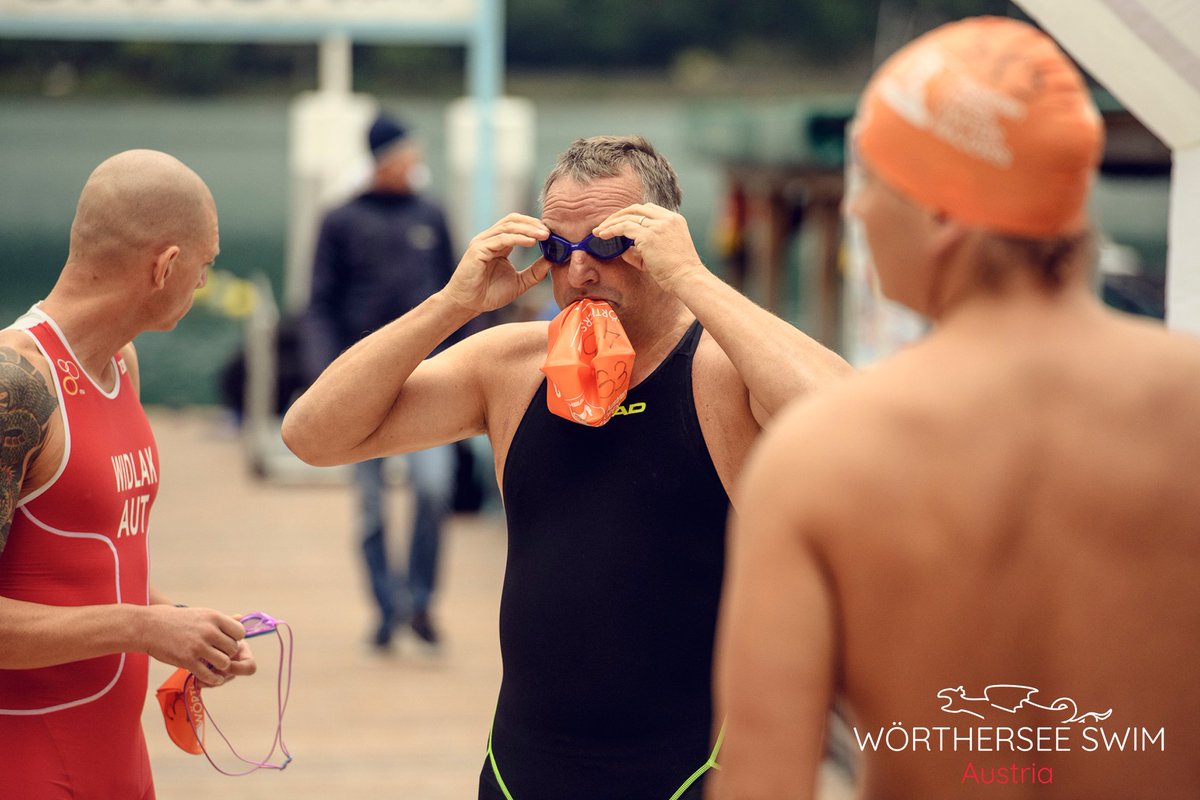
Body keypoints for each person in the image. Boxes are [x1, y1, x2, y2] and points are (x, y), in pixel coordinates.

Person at [711, 16, 1200, 800]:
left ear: (945, 217)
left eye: (870, 181)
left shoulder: (822, 459)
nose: (858, 212)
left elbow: (762, 783)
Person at [282, 134, 851, 798]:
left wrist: (694, 278)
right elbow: (312, 436)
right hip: (523, 770)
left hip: (691, 770)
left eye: (609, 245)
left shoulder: (723, 369)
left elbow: (855, 428)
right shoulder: (510, 367)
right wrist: (452, 306)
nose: (580, 272)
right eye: (559, 248)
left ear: (666, 240)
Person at [0, 149, 256, 799]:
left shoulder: (122, 365)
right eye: (205, 266)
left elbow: (84, 564)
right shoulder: (16, 385)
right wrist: (143, 629)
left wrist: (178, 623)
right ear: (166, 265)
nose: (202, 284)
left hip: (119, 763)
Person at [302, 111, 461, 649]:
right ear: (384, 159)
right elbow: (318, 304)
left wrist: (473, 364)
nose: (414, 163)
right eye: (406, 154)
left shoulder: (431, 215)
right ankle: (386, 607)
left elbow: (460, 296)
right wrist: (324, 372)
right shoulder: (341, 220)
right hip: (359, 385)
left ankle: (419, 602)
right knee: (371, 506)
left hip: (430, 379)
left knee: (434, 489)